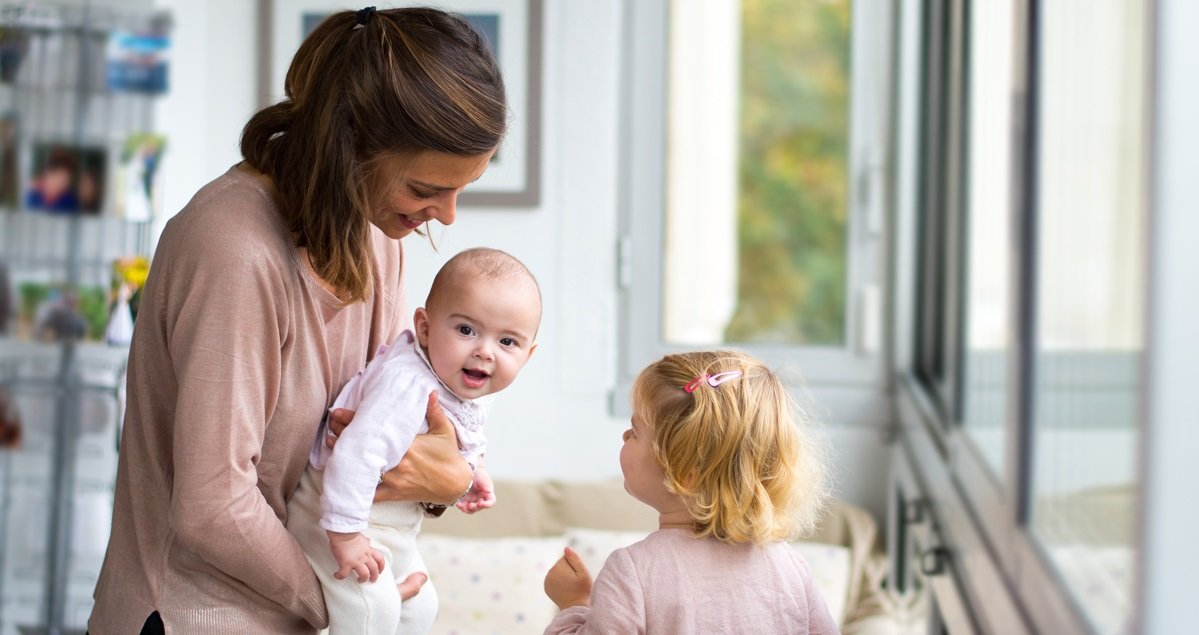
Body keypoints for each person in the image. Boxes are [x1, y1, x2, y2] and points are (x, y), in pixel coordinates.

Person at [88, 6, 507, 634]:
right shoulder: (231, 246)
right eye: (426, 188)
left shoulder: (378, 239)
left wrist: (450, 479)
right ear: (353, 150)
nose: (446, 216)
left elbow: (386, 436)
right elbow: (211, 506)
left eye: (459, 190)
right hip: (190, 614)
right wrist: (349, 603)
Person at [287, 247, 541, 634]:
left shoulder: (466, 384)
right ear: (424, 327)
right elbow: (356, 455)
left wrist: (475, 471)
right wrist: (347, 536)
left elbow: (466, 431)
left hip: (396, 529)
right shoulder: (406, 383)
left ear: (528, 354)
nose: (485, 351)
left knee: (422, 607)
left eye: (507, 342)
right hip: (339, 518)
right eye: (466, 330)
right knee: (372, 611)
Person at [543, 350, 839, 634]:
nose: (624, 436)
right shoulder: (791, 568)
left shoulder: (633, 572)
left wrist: (574, 604)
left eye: (635, 431)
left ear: (685, 473)